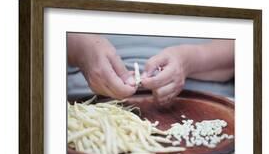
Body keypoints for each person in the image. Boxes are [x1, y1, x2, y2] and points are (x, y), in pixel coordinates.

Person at [67, 33, 234, 105]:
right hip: (85, 96)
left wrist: (190, 59)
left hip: (209, 96)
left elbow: (244, 41)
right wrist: (80, 49)